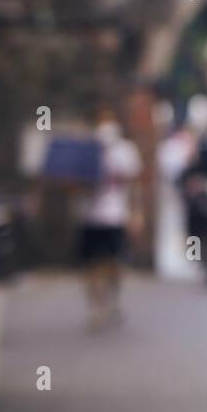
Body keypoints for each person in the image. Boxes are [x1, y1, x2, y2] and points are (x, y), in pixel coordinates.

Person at [79, 111, 142, 331]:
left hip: (116, 217)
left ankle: (113, 301)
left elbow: (134, 185)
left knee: (115, 264)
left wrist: (136, 213)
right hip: (90, 218)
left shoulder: (125, 152)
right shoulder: (86, 153)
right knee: (91, 266)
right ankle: (95, 308)